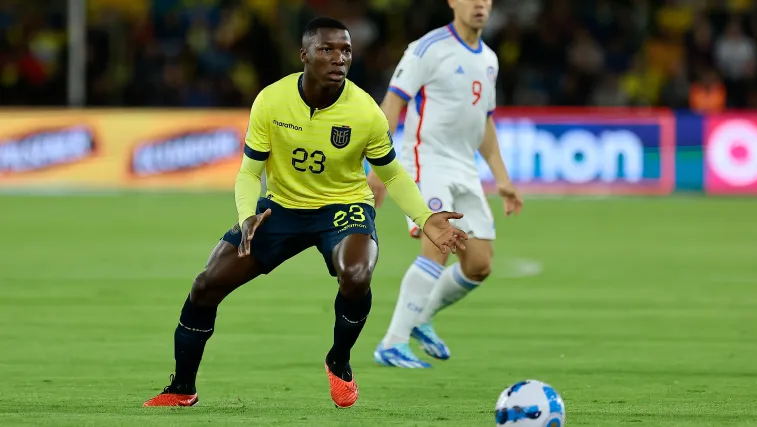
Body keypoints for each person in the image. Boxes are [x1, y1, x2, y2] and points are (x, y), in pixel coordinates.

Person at [143, 17, 468, 408]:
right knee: (205, 285)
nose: (339, 58)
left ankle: (339, 360)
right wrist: (247, 215)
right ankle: (182, 388)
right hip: (281, 209)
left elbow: (393, 174)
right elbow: (249, 171)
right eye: (327, 49)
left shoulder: (366, 112)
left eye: (345, 50)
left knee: (357, 274)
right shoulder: (271, 100)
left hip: (344, 208)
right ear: (304, 55)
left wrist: (425, 217)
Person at [369, 0, 523, 369]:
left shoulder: (489, 59)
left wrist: (502, 179)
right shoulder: (427, 48)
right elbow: (391, 105)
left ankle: (420, 315)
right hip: (426, 160)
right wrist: (378, 167)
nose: (479, 4)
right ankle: (392, 342)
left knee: (479, 264)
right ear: (453, 2)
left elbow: (484, 123)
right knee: (439, 242)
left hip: (464, 167)